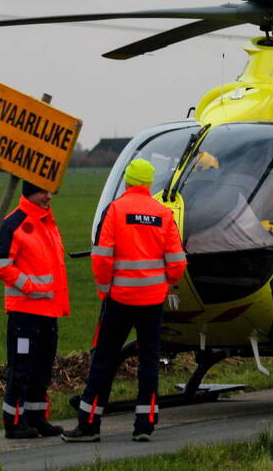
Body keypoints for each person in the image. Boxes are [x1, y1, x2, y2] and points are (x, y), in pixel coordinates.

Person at [63, 158, 187, 443]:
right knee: (149, 361)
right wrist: (163, 283)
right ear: (148, 184)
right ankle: (144, 424)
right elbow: (178, 263)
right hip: (153, 302)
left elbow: (102, 257)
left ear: (128, 181)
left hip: (119, 299)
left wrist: (105, 290)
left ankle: (89, 424)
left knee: (104, 360)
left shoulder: (117, 210)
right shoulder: (162, 213)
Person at [0, 180, 69, 439]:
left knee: (42, 369)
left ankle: (36, 418)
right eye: (43, 192)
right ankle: (13, 423)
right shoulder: (14, 222)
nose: (49, 197)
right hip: (25, 312)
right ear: (29, 193)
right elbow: (0, 265)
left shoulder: (47, 220)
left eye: (50, 192)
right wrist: (31, 287)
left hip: (48, 312)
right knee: (21, 368)